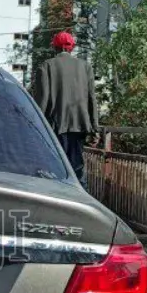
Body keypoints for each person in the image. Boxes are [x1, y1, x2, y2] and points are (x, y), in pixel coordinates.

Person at [34, 31, 98, 185]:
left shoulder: (46, 66)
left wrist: (36, 127)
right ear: (72, 47)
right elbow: (91, 98)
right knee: (77, 169)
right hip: (79, 126)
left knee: (56, 171)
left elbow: (42, 101)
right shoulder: (85, 67)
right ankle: (80, 195)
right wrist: (95, 128)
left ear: (55, 47)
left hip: (55, 127)